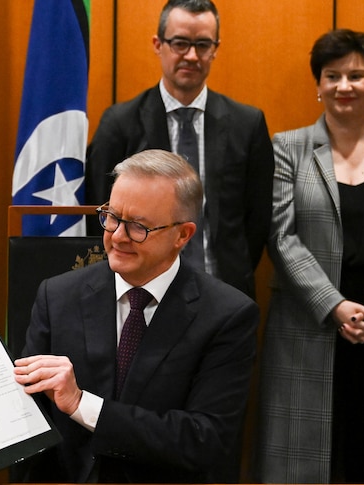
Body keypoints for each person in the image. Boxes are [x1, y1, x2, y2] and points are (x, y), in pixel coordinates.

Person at [0, 149, 258, 483]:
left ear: (182, 235)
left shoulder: (227, 315)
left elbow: (204, 440)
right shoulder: (57, 296)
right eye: (112, 217)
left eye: (138, 227)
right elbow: (28, 418)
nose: (116, 236)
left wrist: (81, 404)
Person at [256, 29, 364, 484]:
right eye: (333, 75)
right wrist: (335, 305)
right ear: (318, 84)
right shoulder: (286, 148)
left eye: (357, 75)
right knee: (303, 464)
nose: (344, 86)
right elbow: (281, 237)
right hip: (307, 326)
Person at [85, 0, 273, 300]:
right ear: (158, 44)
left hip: (225, 294)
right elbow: (100, 209)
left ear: (215, 48)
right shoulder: (120, 123)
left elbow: (258, 219)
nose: (191, 55)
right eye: (180, 43)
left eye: (202, 44)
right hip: (140, 296)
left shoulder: (247, 124)